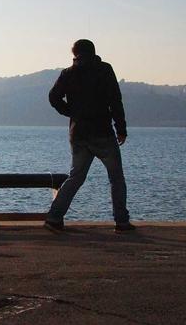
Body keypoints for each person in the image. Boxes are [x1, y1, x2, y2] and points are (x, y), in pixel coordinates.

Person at [45, 39, 135, 233]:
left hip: (78, 134)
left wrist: (70, 112)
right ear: (94, 52)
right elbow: (115, 100)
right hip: (102, 132)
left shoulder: (68, 73)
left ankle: (54, 217)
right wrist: (121, 128)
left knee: (75, 177)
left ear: (75, 54)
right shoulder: (104, 70)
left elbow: (53, 97)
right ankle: (121, 221)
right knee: (116, 178)